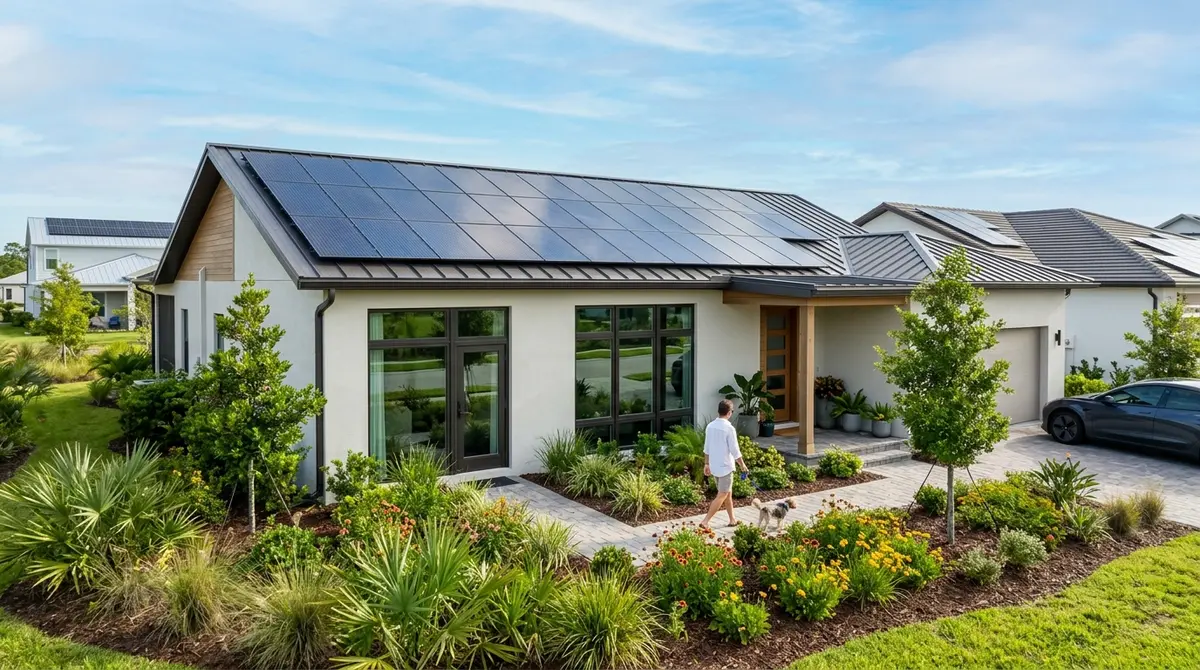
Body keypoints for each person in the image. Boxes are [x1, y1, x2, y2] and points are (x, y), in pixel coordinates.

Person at [700, 399, 750, 529]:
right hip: (726, 467)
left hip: (714, 466)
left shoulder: (710, 426)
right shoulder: (729, 428)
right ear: (729, 413)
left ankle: (732, 519)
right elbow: (735, 450)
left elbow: (707, 447)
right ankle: (705, 521)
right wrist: (743, 465)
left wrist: (706, 464)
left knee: (728, 493)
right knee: (722, 494)